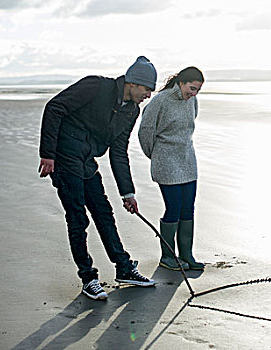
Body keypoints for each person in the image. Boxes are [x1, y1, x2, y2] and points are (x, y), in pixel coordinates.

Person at [38, 56, 157, 300]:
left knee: (103, 213)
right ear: (133, 83)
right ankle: (88, 278)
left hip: (86, 162)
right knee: (78, 219)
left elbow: (118, 151)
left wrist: (128, 193)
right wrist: (47, 154)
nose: (148, 95)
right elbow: (55, 108)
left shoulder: (131, 111)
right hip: (64, 159)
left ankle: (124, 268)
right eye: (146, 89)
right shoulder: (96, 87)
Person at [138, 66, 205, 271]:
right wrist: (157, 156)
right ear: (181, 82)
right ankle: (168, 257)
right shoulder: (160, 101)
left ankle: (187, 255)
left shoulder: (192, 101)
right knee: (173, 209)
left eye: (197, 91)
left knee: (188, 209)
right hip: (166, 163)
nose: (193, 94)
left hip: (187, 161)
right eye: (191, 88)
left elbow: (189, 127)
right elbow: (145, 133)